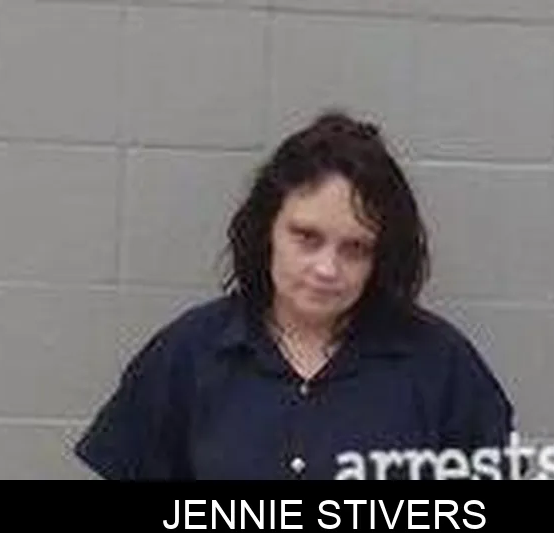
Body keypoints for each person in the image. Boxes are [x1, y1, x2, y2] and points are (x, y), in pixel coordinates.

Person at [73, 110, 515, 480]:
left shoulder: (440, 365)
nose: (327, 269)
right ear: (267, 229)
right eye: (307, 237)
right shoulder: (189, 353)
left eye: (355, 248)